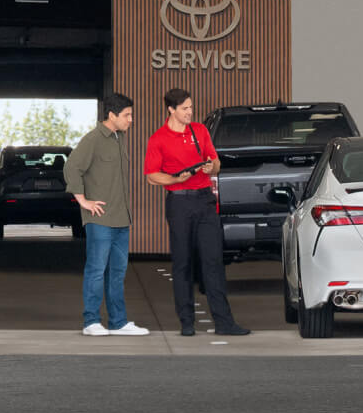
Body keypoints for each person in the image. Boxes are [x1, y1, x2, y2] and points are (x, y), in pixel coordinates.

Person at [143, 87, 251, 338]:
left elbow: (216, 162)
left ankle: (224, 322)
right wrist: (175, 179)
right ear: (171, 109)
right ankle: (187, 322)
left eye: (191, 107)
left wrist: (211, 167)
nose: (190, 112)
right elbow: (151, 176)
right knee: (183, 262)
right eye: (185, 109)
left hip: (204, 201)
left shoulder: (200, 131)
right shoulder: (158, 138)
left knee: (213, 262)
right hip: (179, 203)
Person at [65, 91, 148, 337]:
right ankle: (91, 322)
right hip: (100, 219)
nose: (131, 119)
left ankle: (118, 322)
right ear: (112, 115)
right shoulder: (93, 139)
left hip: (121, 218)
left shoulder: (119, 138)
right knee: (96, 270)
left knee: (117, 273)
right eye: (127, 115)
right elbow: (72, 167)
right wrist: (83, 200)